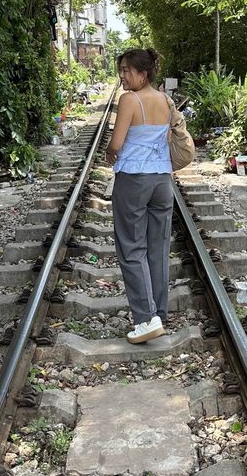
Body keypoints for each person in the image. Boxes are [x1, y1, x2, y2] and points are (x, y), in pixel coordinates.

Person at [105, 47, 173, 344]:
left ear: (143, 74)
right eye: (121, 70)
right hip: (162, 181)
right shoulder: (164, 99)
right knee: (157, 248)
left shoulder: (129, 100)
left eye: (127, 71)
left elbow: (117, 143)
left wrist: (109, 153)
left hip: (134, 180)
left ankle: (146, 319)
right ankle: (159, 312)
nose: (122, 76)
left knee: (132, 248)